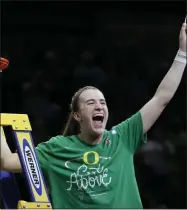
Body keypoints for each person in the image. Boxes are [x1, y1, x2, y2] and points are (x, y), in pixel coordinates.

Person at [0, 20, 186, 209]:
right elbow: (6, 161)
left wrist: (183, 53)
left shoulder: (123, 137)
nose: (99, 106)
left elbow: (162, 97)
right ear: (78, 116)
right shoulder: (56, 149)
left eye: (102, 102)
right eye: (90, 103)